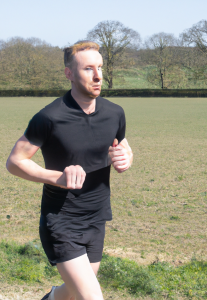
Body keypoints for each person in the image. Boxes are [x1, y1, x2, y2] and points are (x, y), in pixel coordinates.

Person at [6, 41, 133, 300]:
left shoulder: (114, 113)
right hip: (61, 220)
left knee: (72, 294)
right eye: (88, 69)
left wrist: (126, 158)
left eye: (99, 67)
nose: (98, 76)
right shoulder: (49, 117)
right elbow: (15, 162)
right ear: (69, 74)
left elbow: (122, 146)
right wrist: (58, 177)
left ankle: (50, 297)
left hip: (97, 216)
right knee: (92, 297)